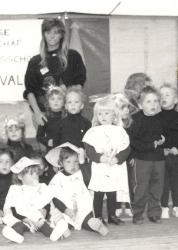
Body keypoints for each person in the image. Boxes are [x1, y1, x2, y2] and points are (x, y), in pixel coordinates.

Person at [23, 18, 86, 126]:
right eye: (48, 32)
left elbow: (80, 83)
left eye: (55, 32)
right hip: (43, 114)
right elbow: (29, 91)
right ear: (43, 34)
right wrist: (37, 113)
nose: (51, 36)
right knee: (45, 143)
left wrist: (66, 91)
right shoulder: (35, 61)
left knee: (70, 143)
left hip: (69, 113)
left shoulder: (73, 56)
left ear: (61, 34)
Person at [82, 97, 130, 225]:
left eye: (106, 113)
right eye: (100, 113)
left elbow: (126, 148)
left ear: (114, 115)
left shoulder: (120, 131)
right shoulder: (92, 132)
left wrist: (118, 158)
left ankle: (112, 215)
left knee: (112, 191)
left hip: (114, 166)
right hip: (100, 166)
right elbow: (89, 149)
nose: (103, 116)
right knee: (99, 191)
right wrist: (99, 158)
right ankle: (98, 216)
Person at [46, 142, 109, 236]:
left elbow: (89, 181)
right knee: (61, 220)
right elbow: (54, 197)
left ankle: (94, 224)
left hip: (81, 208)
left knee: (85, 218)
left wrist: (82, 162)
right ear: (61, 163)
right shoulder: (58, 178)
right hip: (64, 209)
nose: (72, 165)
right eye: (68, 162)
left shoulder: (81, 173)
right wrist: (65, 209)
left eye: (76, 162)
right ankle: (63, 228)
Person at [2, 156, 68, 244]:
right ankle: (16, 236)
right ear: (21, 176)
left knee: (44, 225)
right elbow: (13, 209)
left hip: (36, 217)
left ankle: (54, 234)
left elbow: (46, 201)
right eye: (31, 174)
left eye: (36, 173)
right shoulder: (15, 189)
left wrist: (43, 214)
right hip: (21, 219)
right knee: (18, 226)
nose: (35, 176)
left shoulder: (41, 187)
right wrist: (26, 220)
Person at [129, 86, 165, 224]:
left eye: (156, 101)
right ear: (140, 104)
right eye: (149, 101)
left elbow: (167, 134)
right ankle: (137, 213)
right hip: (142, 159)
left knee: (157, 187)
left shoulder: (161, 118)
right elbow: (132, 141)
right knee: (141, 188)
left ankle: (154, 212)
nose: (153, 105)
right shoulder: (136, 119)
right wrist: (150, 145)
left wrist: (164, 140)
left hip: (159, 159)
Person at [158, 83, 178, 219]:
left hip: (175, 154)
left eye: (167, 94)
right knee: (163, 182)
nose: (163, 97)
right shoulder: (156, 117)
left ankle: (176, 206)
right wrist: (161, 150)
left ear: (176, 100)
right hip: (161, 155)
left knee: (176, 181)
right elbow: (154, 135)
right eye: (161, 95)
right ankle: (164, 206)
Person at [36, 86, 66, 150]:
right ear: (48, 103)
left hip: (66, 149)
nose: (56, 101)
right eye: (52, 99)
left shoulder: (67, 117)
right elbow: (39, 136)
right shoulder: (45, 118)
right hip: (52, 149)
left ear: (63, 103)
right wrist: (47, 141)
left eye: (59, 98)